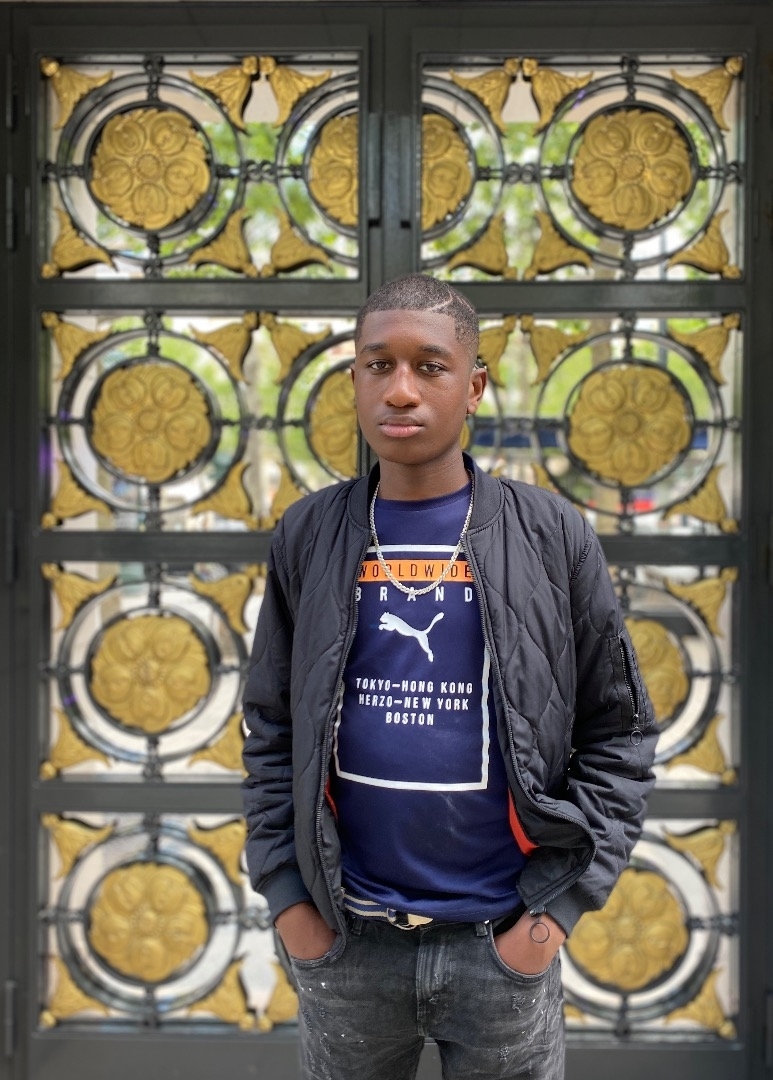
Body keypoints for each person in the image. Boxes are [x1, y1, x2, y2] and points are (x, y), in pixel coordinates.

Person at [242, 274, 657, 1080]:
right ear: (354, 381)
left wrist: (550, 920)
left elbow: (620, 732)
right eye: (378, 366)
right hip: (346, 941)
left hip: (500, 944)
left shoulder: (549, 534)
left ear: (473, 387)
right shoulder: (309, 532)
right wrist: (291, 903)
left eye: (429, 367)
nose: (400, 390)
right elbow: (271, 728)